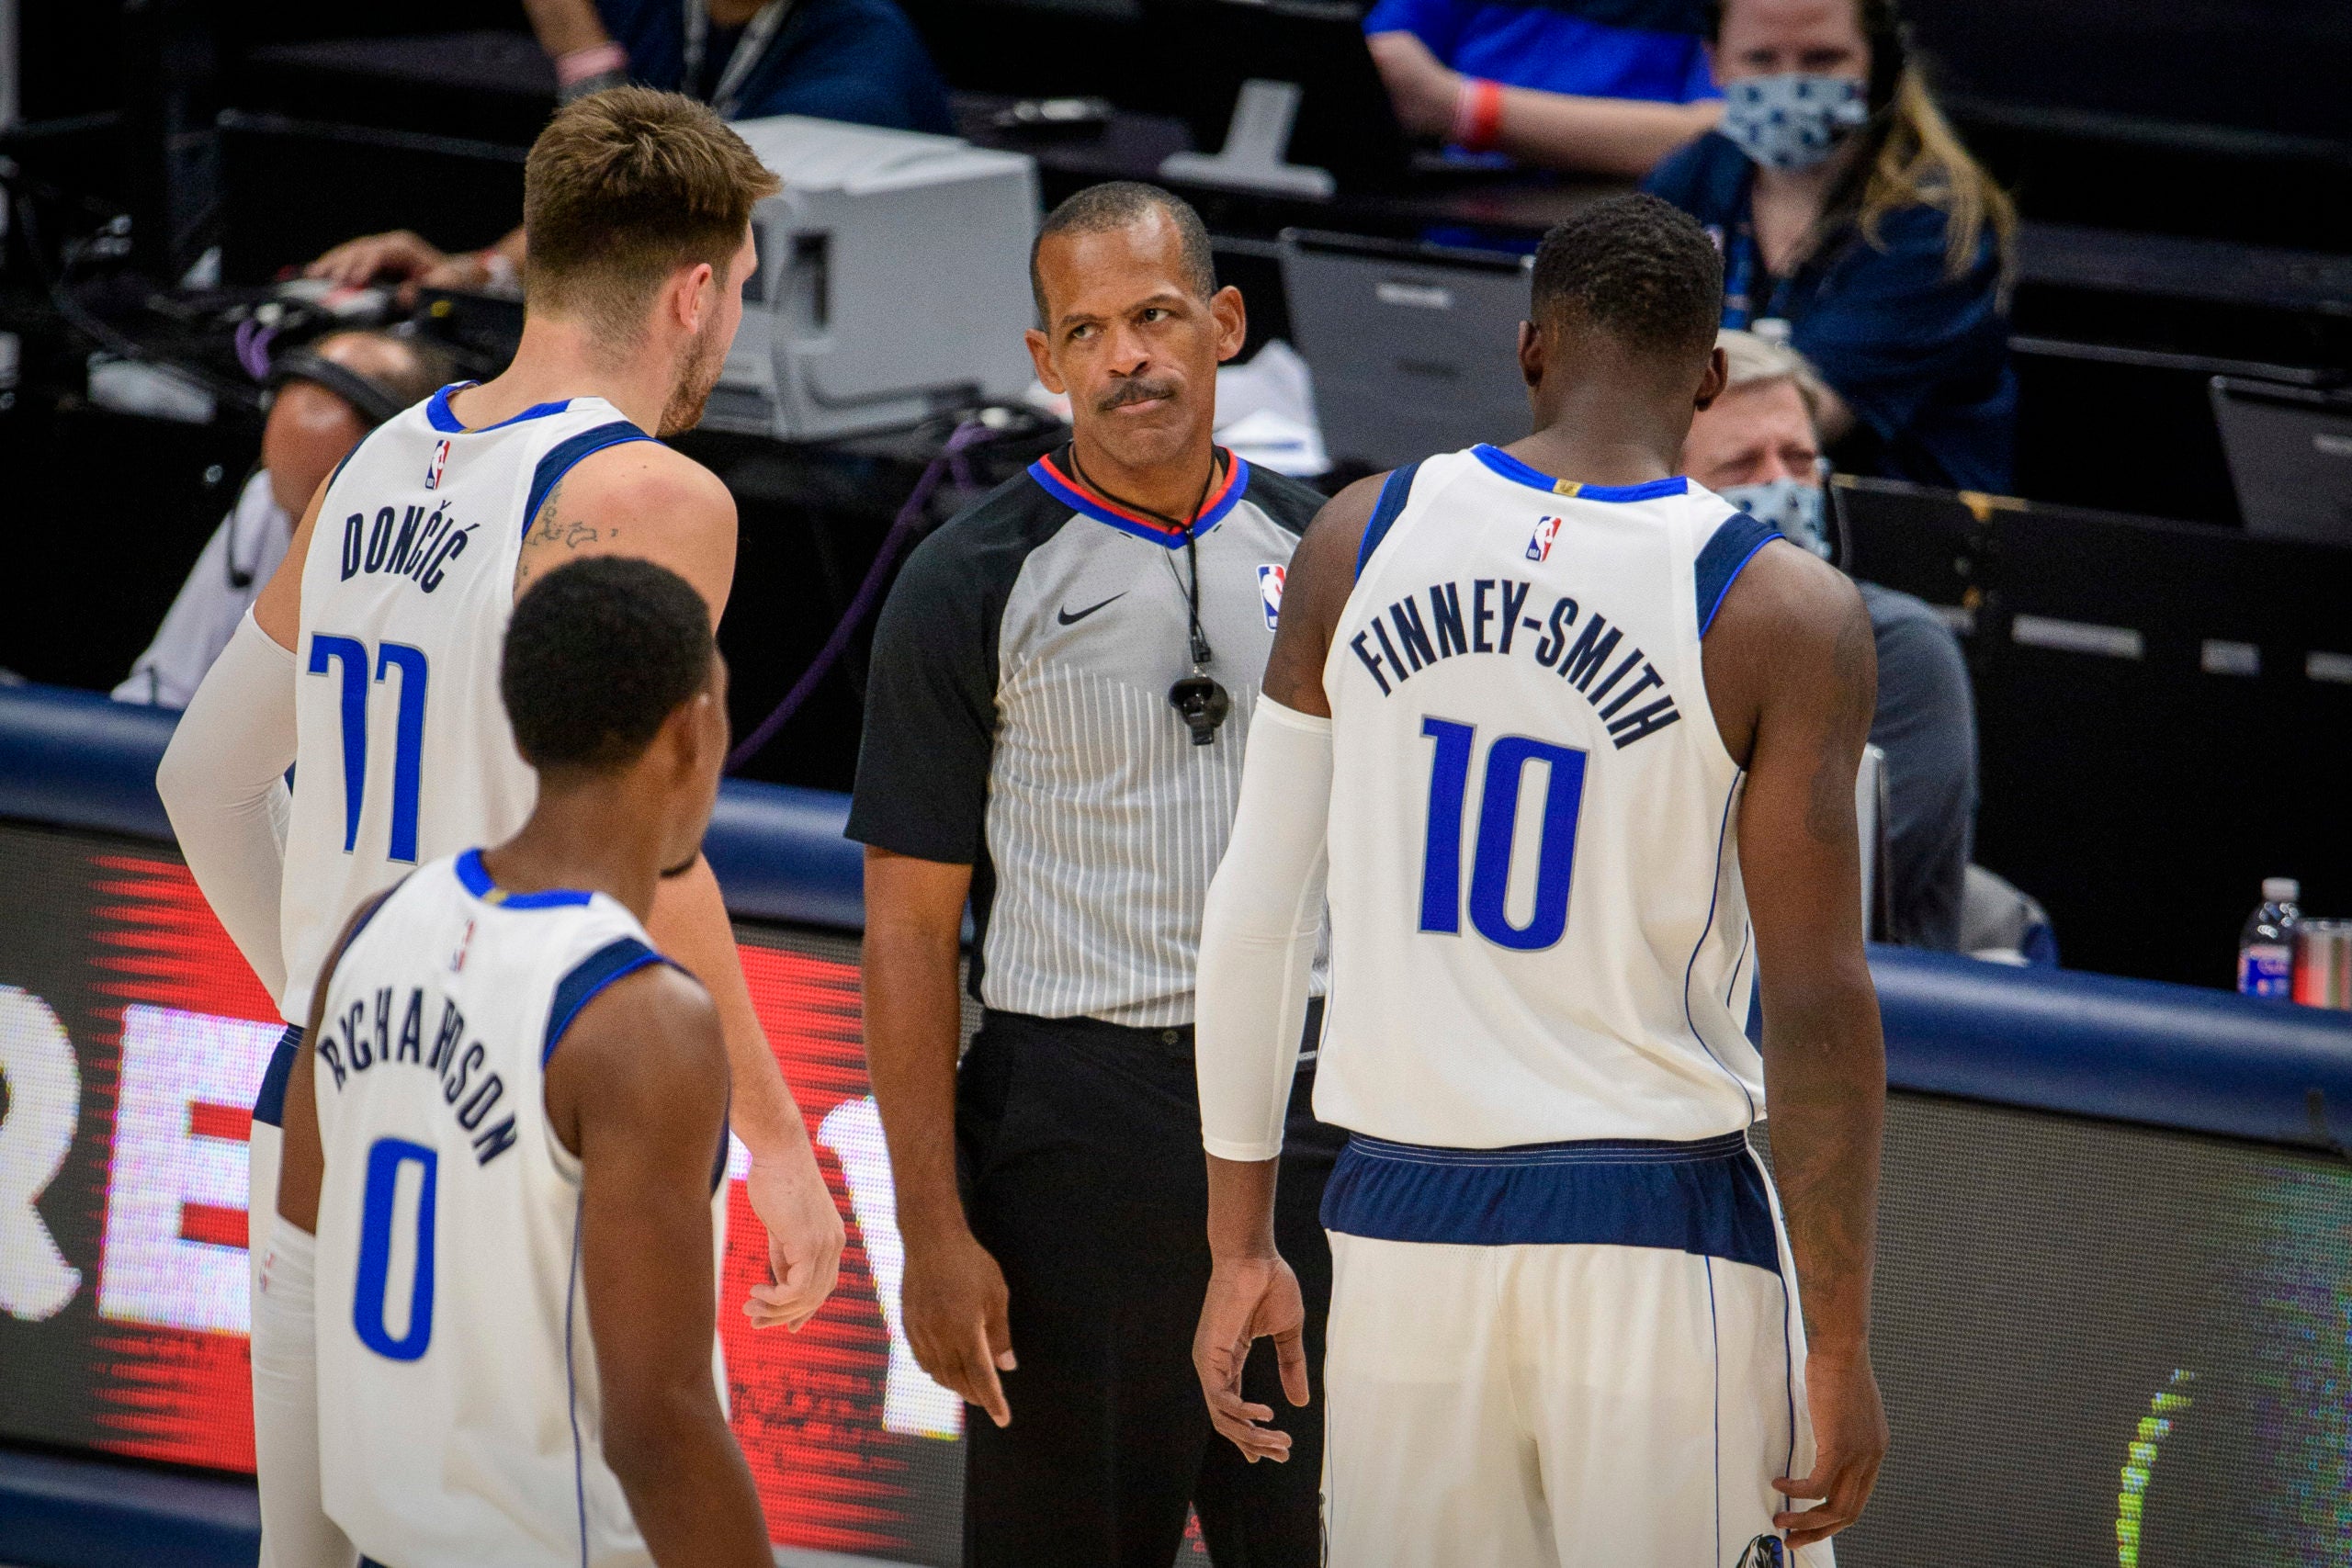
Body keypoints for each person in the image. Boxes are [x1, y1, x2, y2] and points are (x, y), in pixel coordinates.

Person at [157, 86, 844, 1564]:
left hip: (332, 1102)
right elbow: (656, 844)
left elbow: (200, 780)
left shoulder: (369, 461)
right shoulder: (652, 492)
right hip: (533, 1110)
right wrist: (780, 1139)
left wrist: (323, 1001)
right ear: (698, 289)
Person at [1192, 193, 1888, 1563]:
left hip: (1396, 1231)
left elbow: (1259, 915)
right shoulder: (1782, 608)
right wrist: (1843, 1340)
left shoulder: (1354, 538)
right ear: (1709, 377)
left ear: (1527, 348)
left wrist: (1236, 1241)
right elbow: (1818, 1002)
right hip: (1647, 1222)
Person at [848, 181, 1339, 1567]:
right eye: (1089, 328)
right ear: (1044, 358)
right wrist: (930, 1228)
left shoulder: (1331, 556)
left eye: (1157, 314)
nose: (1129, 354)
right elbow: (906, 929)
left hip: (1311, 1107)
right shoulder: (965, 578)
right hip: (1073, 1124)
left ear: (1224, 324)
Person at [254, 555, 771, 1568]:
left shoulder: (370, 934)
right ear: (691, 733)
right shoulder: (642, 1020)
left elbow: (297, 1292)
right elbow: (657, 1424)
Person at [306, 0, 950, 297]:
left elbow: (655, 220)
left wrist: (582, 54)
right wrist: (476, 273)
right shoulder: (665, 11)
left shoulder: (863, 57)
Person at [1644, 0, 2018, 493]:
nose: (1787, 84)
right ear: (1714, 60)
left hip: (1897, 539)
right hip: (1713, 504)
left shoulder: (1935, 225)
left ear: (1881, 64)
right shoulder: (1702, 170)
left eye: (1822, 59)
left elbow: (1788, 419)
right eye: (1759, 59)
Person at [1682, 326, 1977, 949]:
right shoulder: (1626, 633)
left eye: (1798, 461)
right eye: (1742, 465)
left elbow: (1780, 896)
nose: (1781, 487)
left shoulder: (1893, 651)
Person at [117, 331, 455, 708]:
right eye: (288, 512)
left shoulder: (452, 568)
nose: (296, 535)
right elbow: (166, 687)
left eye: (316, 513)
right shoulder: (266, 499)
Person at [1366, 0, 1724, 177]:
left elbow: (1719, 133)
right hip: (1450, 240)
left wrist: (1465, 109)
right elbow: (1379, 62)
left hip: (1622, 262)